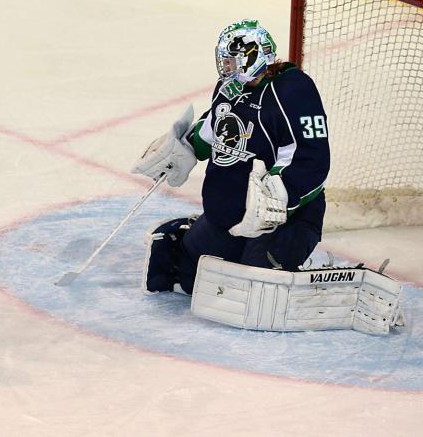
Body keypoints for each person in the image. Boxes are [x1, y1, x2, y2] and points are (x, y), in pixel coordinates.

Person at [132, 19, 330, 294]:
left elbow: (311, 157)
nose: (225, 67)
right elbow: (212, 129)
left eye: (231, 61)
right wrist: (183, 149)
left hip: (284, 221)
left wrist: (278, 199)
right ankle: (191, 232)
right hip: (228, 215)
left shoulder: (293, 90)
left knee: (254, 286)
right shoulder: (229, 88)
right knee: (188, 278)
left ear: (251, 57)